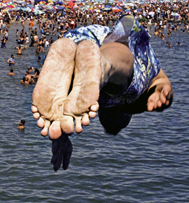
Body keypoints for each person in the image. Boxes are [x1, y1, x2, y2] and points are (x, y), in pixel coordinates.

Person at [30, 15, 173, 171]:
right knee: (127, 84)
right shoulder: (135, 97)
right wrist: (162, 92)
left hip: (81, 37)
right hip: (110, 47)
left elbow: (162, 82)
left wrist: (60, 134)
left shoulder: (141, 86)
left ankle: (101, 66)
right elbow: (160, 82)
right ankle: (103, 66)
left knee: (120, 80)